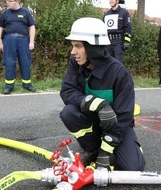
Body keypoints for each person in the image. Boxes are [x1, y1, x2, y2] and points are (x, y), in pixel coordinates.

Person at [60, 17, 145, 171]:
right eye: (73, 46)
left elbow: (125, 117)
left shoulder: (119, 73)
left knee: (134, 168)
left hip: (117, 126)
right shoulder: (76, 63)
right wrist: (98, 104)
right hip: (93, 122)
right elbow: (67, 91)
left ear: (93, 48)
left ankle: (114, 148)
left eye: (78, 46)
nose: (73, 52)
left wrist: (106, 150)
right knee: (68, 113)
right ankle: (92, 150)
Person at [0, 0, 36, 94]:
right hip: (9, 39)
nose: (7, 2)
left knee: (25, 62)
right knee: (9, 62)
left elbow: (32, 27)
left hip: (23, 40)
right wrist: (0, 42)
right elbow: (0, 27)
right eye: (7, 1)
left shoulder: (25, 12)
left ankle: (27, 85)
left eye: (10, 1)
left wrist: (31, 42)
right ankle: (9, 86)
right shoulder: (5, 13)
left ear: (17, 1)